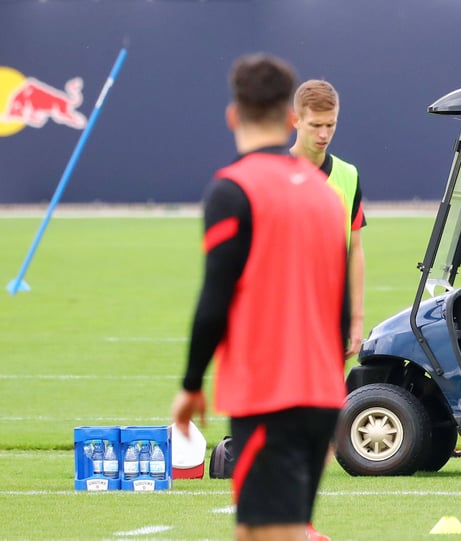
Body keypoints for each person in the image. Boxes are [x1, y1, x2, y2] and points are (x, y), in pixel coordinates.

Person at [170, 53, 350, 541]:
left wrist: (190, 383)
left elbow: (215, 298)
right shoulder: (324, 193)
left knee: (272, 535)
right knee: (263, 531)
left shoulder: (233, 189)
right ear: (292, 119)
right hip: (320, 394)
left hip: (269, 395)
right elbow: (341, 304)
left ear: (233, 115)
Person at [291, 79, 367, 358]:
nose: (324, 134)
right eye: (315, 125)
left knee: (329, 401)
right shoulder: (273, 175)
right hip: (283, 316)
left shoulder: (348, 175)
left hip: (333, 316)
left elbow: (355, 249)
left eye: (330, 125)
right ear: (295, 120)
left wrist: (355, 319)